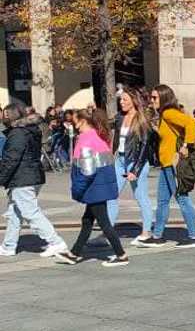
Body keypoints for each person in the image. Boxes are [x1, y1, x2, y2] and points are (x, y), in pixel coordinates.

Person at [58, 107, 127, 267]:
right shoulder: (98, 136)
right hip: (99, 186)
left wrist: (77, 189)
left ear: (83, 121)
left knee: (104, 223)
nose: (75, 126)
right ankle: (74, 254)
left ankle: (121, 254)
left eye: (76, 123)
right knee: (87, 220)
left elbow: (87, 172)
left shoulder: (85, 140)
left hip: (94, 188)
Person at [136, 85, 195, 249]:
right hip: (166, 164)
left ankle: (194, 236)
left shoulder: (169, 113)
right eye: (151, 97)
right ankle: (158, 235)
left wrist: (186, 145)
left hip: (173, 163)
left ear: (164, 98)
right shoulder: (163, 115)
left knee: (182, 198)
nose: (152, 101)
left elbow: (190, 123)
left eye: (155, 98)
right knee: (163, 201)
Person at [0, 105, 67, 258]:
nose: (3, 118)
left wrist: (1, 178)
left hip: (23, 177)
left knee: (30, 211)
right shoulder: (28, 130)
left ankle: (56, 242)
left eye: (5, 115)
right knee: (15, 211)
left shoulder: (17, 134)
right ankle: (9, 245)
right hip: (32, 175)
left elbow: (12, 159)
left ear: (11, 117)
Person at [107, 87, 154, 246]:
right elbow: (114, 137)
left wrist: (135, 170)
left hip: (136, 161)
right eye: (120, 99)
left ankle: (146, 232)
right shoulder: (120, 117)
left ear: (134, 101)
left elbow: (145, 146)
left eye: (125, 100)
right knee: (111, 195)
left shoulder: (142, 119)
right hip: (120, 160)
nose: (121, 102)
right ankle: (108, 232)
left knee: (141, 197)